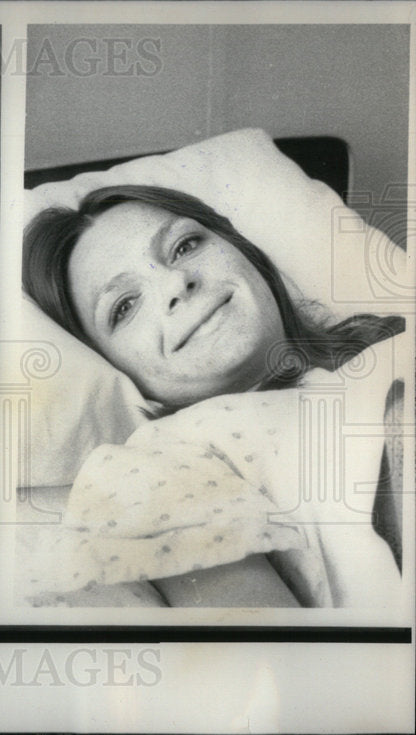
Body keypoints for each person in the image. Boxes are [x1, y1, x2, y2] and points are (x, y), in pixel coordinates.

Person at [22, 184, 403, 606]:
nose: (175, 283)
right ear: (110, 364)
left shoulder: (390, 338)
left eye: (184, 246)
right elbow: (263, 661)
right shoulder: (157, 464)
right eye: (125, 306)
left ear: (246, 252)